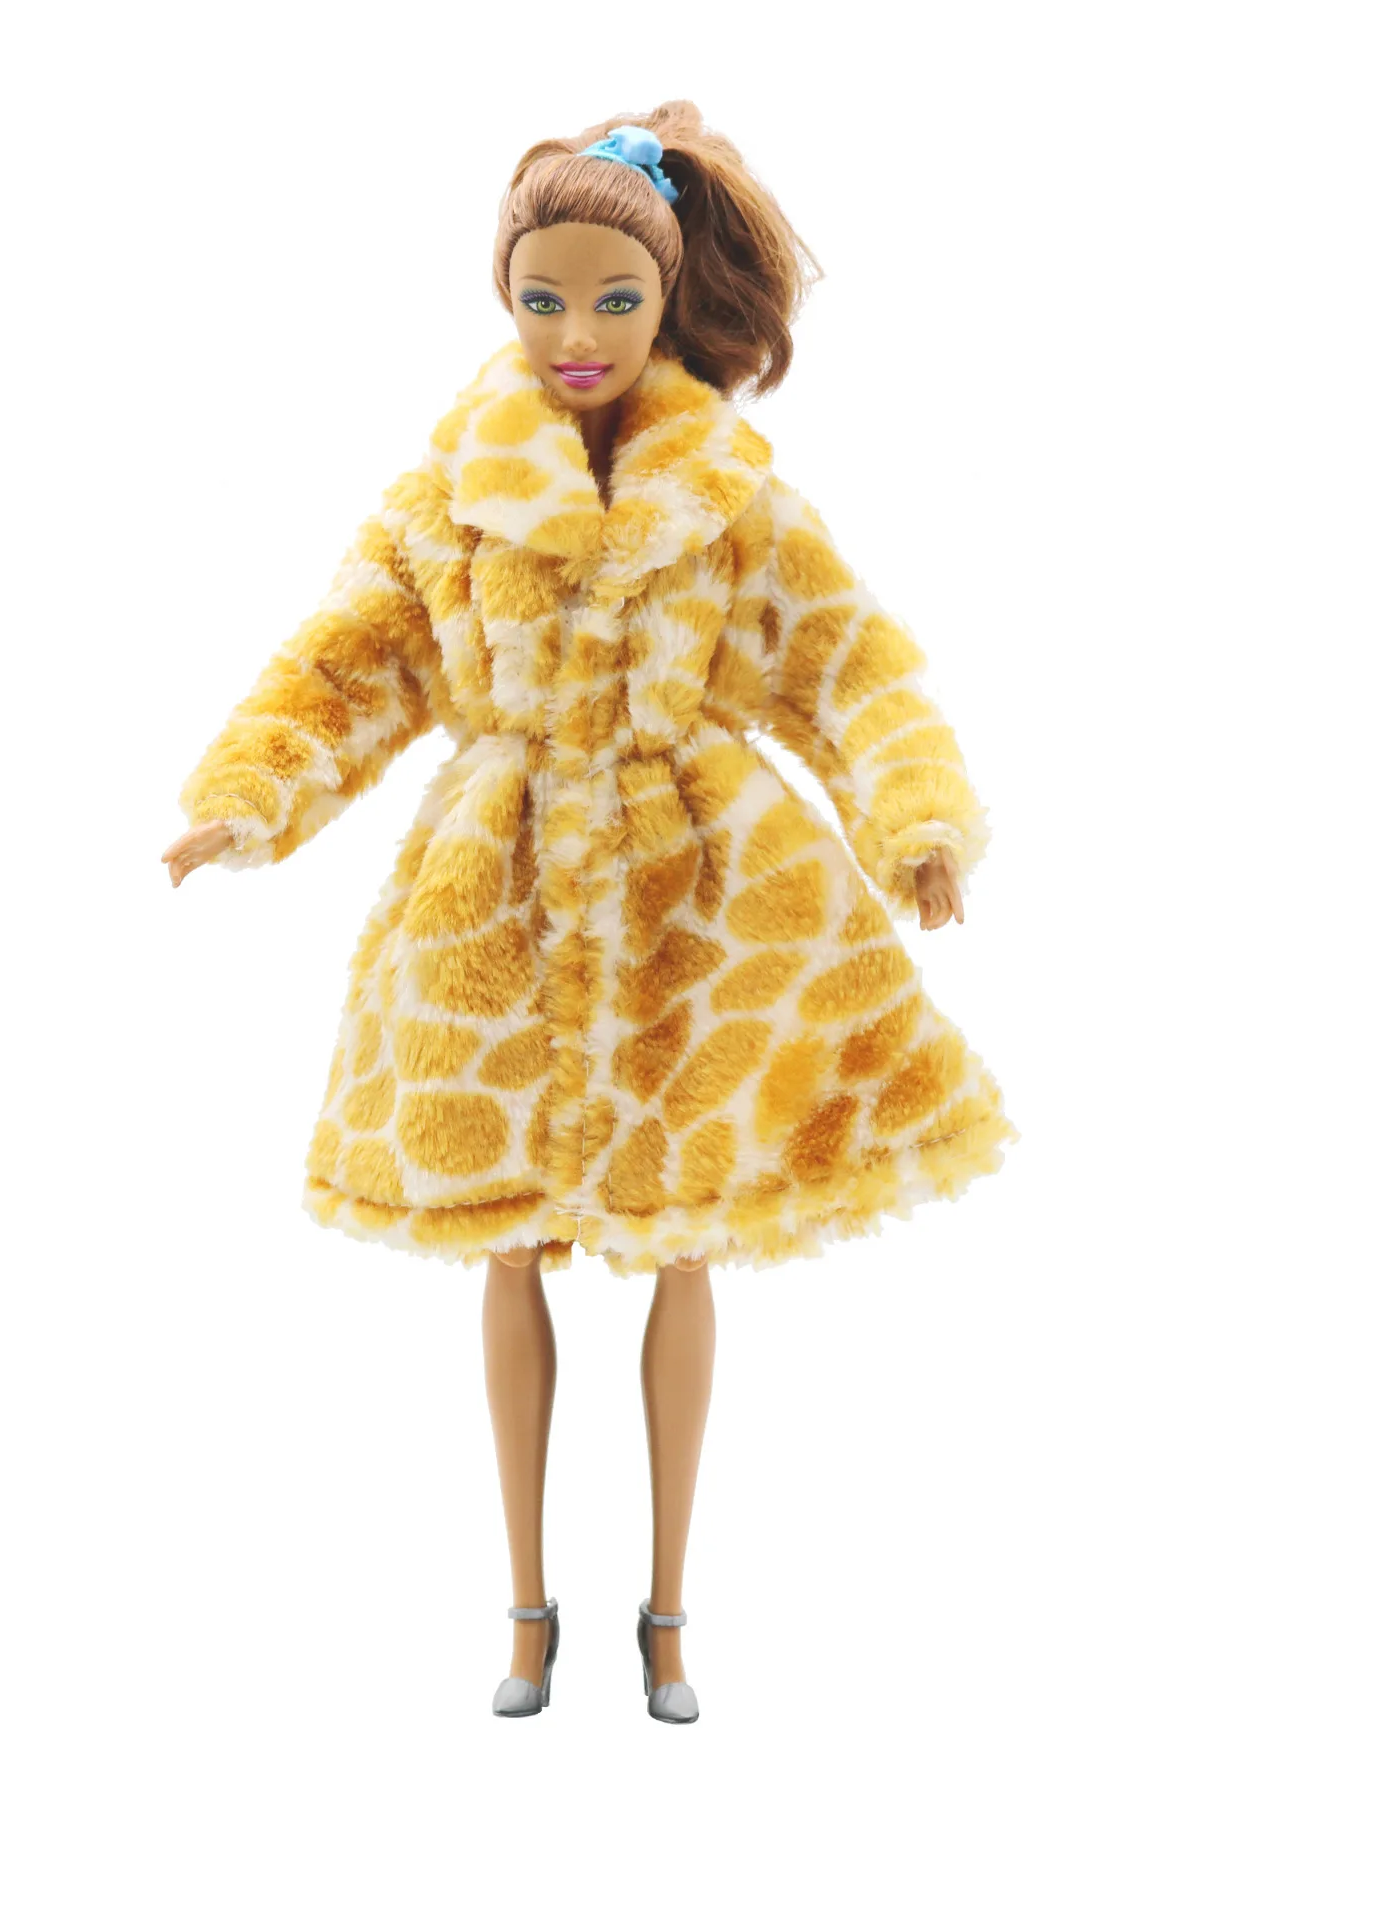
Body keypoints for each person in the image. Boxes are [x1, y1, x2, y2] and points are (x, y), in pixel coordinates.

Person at [161, 103, 1013, 1723]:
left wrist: (914, 818)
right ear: (505, 294)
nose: (577, 333)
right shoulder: (449, 495)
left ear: (667, 298)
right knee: (510, 1244)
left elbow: (847, 659)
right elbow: (349, 659)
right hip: (498, 896)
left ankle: (669, 1618)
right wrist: (250, 793)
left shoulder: (732, 495)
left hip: (704, 900)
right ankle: (526, 1613)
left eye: (615, 300)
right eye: (542, 297)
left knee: (684, 1241)